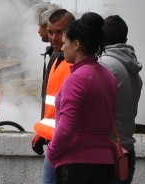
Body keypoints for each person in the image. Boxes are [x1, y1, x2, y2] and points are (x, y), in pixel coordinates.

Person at [47, 12, 117, 184]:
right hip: (105, 162)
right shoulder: (107, 75)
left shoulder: (76, 79)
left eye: (65, 43)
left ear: (76, 44)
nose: (62, 48)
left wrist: (52, 152)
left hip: (76, 163)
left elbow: (67, 125)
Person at [32, 8, 75, 184]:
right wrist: (43, 131)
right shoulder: (57, 57)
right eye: (50, 32)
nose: (54, 38)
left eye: (60, 32)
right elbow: (52, 105)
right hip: (54, 142)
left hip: (66, 146)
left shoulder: (76, 63)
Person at [100, 15, 143, 184]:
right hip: (126, 151)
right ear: (125, 39)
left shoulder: (104, 66)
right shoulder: (131, 67)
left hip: (108, 154)